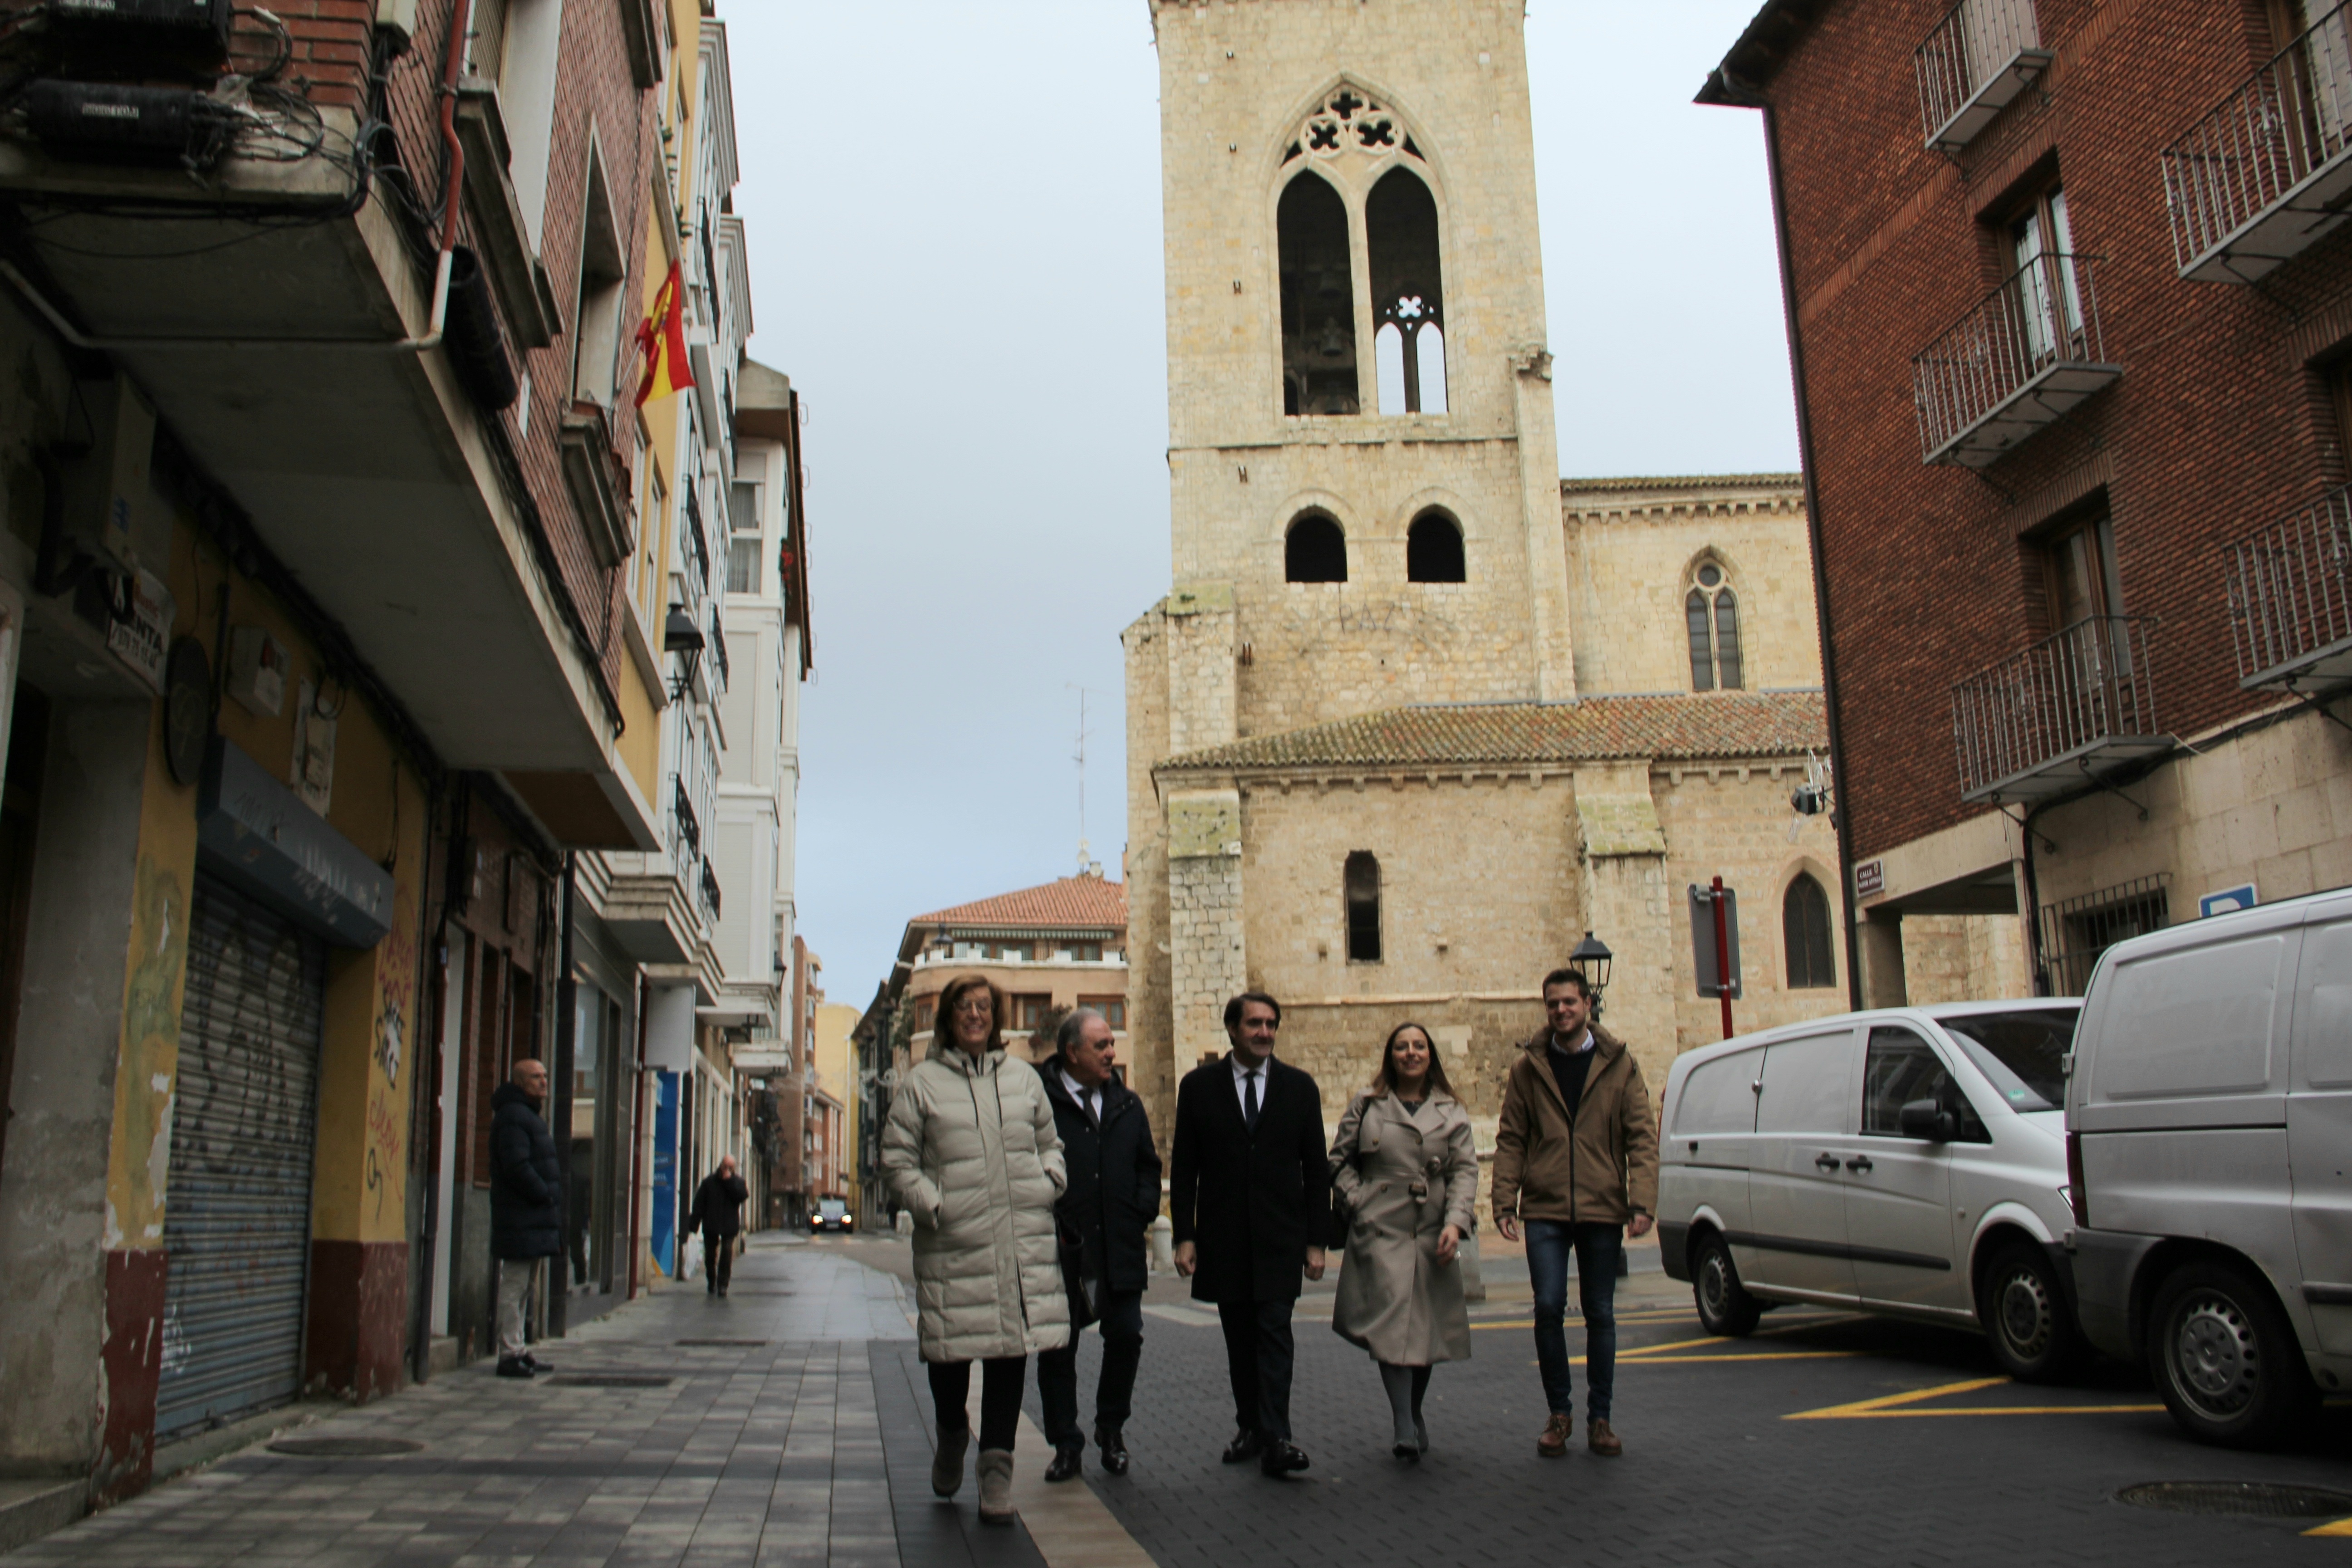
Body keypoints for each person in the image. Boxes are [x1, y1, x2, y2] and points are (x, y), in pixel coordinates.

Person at [880, 975, 1069, 1526]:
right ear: (948, 1018)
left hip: (1017, 1246)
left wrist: (1049, 1181)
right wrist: (932, 1205)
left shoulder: (1024, 1080)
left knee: (1010, 1359)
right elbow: (897, 1160)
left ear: (997, 1016)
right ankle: (952, 1432)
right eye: (965, 1008)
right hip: (953, 1248)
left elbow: (1049, 1143)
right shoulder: (923, 1084)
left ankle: (996, 1475)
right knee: (949, 1360)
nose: (976, 1016)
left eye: (985, 1007)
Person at [1490, 968, 1660, 1459]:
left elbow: (1641, 1138)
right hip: (1544, 1206)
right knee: (1547, 1308)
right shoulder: (1529, 1067)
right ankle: (1559, 1413)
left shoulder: (1619, 1064)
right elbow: (1512, 1138)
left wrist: (1642, 1201)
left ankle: (1600, 1418)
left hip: (1602, 1204)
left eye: (1569, 1002)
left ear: (1587, 1004)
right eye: (1552, 1004)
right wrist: (1505, 1200)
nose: (1561, 1011)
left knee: (1600, 1313)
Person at [1169, 990, 1331, 1479]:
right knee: (1239, 1340)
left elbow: (1316, 1168)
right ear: (1233, 1030)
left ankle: (1277, 1436)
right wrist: (1185, 1235)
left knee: (1275, 1334)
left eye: (1271, 1024)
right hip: (1224, 1237)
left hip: (1282, 1235)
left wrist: (1317, 1241)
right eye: (1255, 1024)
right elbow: (1185, 1168)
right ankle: (1251, 1427)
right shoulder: (1198, 1088)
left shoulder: (1299, 1088)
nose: (1264, 1032)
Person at [1329, 1022, 1478, 1462]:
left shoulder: (1452, 1111)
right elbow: (1338, 1162)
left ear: (1430, 1055)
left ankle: (1413, 1410)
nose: (1410, 1053)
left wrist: (1456, 1223)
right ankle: (1401, 1424)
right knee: (1393, 1328)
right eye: (1401, 1047)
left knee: (1426, 1330)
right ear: (1390, 1056)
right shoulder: (1368, 1104)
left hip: (1432, 1230)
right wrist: (1360, 1203)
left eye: (1418, 1046)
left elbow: (1465, 1171)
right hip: (1382, 1228)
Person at [1034, 1008, 1161, 1482]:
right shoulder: (1041, 1103)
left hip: (1121, 1247)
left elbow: (1149, 1165)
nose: (1112, 1052)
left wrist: (1142, 1207)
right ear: (1072, 1052)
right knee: (1058, 1349)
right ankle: (1065, 1443)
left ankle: (1112, 1428)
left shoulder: (1127, 1104)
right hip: (1064, 1252)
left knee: (1126, 1337)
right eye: (1101, 1045)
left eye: (1112, 1043)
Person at [489, 1058, 562, 1379]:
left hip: (532, 1218)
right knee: (515, 1285)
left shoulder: (526, 1115)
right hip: (521, 1216)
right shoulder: (514, 1116)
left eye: (545, 1075)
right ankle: (509, 1353)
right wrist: (543, 1193)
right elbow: (516, 1165)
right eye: (535, 1077)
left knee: (525, 1287)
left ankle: (517, 1348)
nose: (544, 1081)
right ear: (520, 1083)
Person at [691, 1156, 749, 1298]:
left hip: (729, 1225)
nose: (726, 1170)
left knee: (727, 1252)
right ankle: (711, 1280)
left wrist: (729, 1182)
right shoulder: (709, 1183)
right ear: (720, 1165)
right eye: (725, 1166)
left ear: (734, 1169)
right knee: (710, 1255)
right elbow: (699, 1204)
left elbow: (742, 1196)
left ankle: (723, 1284)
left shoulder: (737, 1182)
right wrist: (693, 1226)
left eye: (730, 1167)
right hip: (711, 1223)